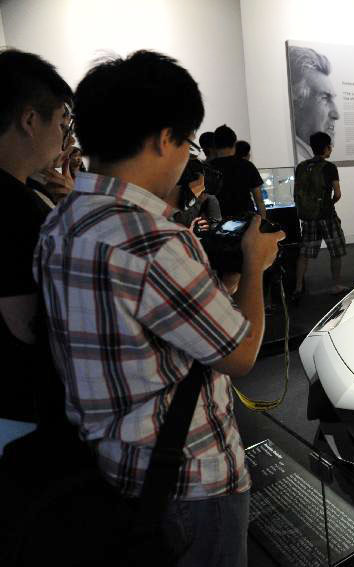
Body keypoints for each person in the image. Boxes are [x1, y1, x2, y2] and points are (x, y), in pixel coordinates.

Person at [34, 50, 284, 565]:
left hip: (112, 467)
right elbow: (238, 355)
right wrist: (255, 267)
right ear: (163, 138)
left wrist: (226, 277)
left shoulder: (60, 222)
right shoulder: (153, 242)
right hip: (190, 481)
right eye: (187, 142)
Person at [0, 49, 72, 429]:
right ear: (30, 119)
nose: (63, 136)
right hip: (21, 409)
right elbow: (27, 325)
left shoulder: (24, 195)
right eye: (62, 122)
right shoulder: (14, 206)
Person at [292, 131, 348, 297]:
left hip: (308, 217)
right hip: (327, 216)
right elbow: (337, 193)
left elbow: (297, 192)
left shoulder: (302, 166)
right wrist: (328, 204)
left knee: (304, 253)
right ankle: (336, 285)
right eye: (329, 146)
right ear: (325, 148)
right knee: (335, 250)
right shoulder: (330, 168)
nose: (330, 149)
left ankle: (298, 286)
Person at [287, 47, 340, 163]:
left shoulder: (303, 163)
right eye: (325, 98)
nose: (336, 114)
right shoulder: (298, 160)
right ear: (296, 101)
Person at [210, 124, 266, 219]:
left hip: (218, 221)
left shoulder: (208, 167)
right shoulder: (247, 166)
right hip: (246, 220)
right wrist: (263, 222)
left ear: (215, 145)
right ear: (234, 144)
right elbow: (259, 200)